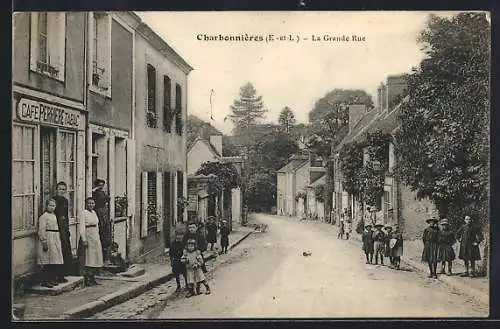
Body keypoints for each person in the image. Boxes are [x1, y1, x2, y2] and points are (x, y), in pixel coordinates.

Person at [37, 198, 64, 288]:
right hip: (48, 238)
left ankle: (51, 278)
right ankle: (45, 280)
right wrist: (44, 241)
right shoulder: (44, 216)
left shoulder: (54, 215)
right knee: (47, 260)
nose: (52, 207)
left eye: (53, 206)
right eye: (50, 205)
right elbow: (41, 230)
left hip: (55, 237)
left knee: (54, 260)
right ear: (46, 206)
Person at [79, 197, 104, 286]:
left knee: (95, 256)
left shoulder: (94, 213)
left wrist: (97, 236)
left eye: (93, 203)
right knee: (89, 257)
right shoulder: (83, 213)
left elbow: (96, 225)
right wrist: (84, 239)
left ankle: (93, 277)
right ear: (86, 204)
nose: (91, 205)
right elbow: (81, 227)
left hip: (95, 236)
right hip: (88, 235)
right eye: (89, 203)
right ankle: (87, 278)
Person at [53, 182, 72, 281]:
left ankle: (62, 274)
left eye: (64, 189)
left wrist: (67, 229)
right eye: (60, 189)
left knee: (65, 251)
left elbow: (66, 216)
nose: (62, 191)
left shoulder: (65, 201)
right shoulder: (53, 200)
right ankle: (56, 275)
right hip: (56, 228)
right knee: (57, 252)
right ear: (56, 189)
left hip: (64, 228)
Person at [92, 179, 111, 263]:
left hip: (104, 214)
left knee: (105, 236)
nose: (101, 187)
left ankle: (105, 258)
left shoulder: (102, 192)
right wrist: (95, 189)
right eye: (100, 185)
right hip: (99, 213)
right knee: (101, 235)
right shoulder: (95, 192)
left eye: (102, 185)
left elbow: (107, 198)